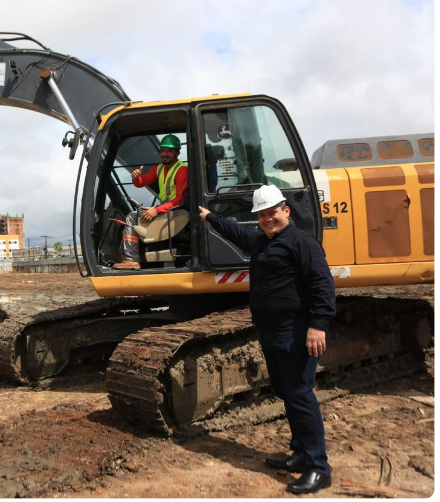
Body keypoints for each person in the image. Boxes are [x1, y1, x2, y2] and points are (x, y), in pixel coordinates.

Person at [198, 184, 335, 495]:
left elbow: (322, 283)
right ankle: (300, 453)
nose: (267, 219)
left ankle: (318, 467)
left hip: (296, 331)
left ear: (285, 210)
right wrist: (210, 217)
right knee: (287, 392)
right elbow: (236, 233)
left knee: (300, 395)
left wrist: (318, 325)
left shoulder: (302, 242)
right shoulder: (263, 242)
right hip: (272, 330)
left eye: (272, 212)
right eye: (262, 215)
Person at [114, 134, 189, 270]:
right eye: (163, 151)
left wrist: (156, 210)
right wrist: (136, 177)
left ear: (177, 153)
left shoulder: (182, 170)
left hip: (176, 211)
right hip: (166, 210)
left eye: (169, 151)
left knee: (132, 216)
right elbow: (141, 182)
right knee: (137, 214)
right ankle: (135, 257)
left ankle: (132, 259)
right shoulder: (159, 168)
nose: (165, 154)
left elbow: (180, 200)